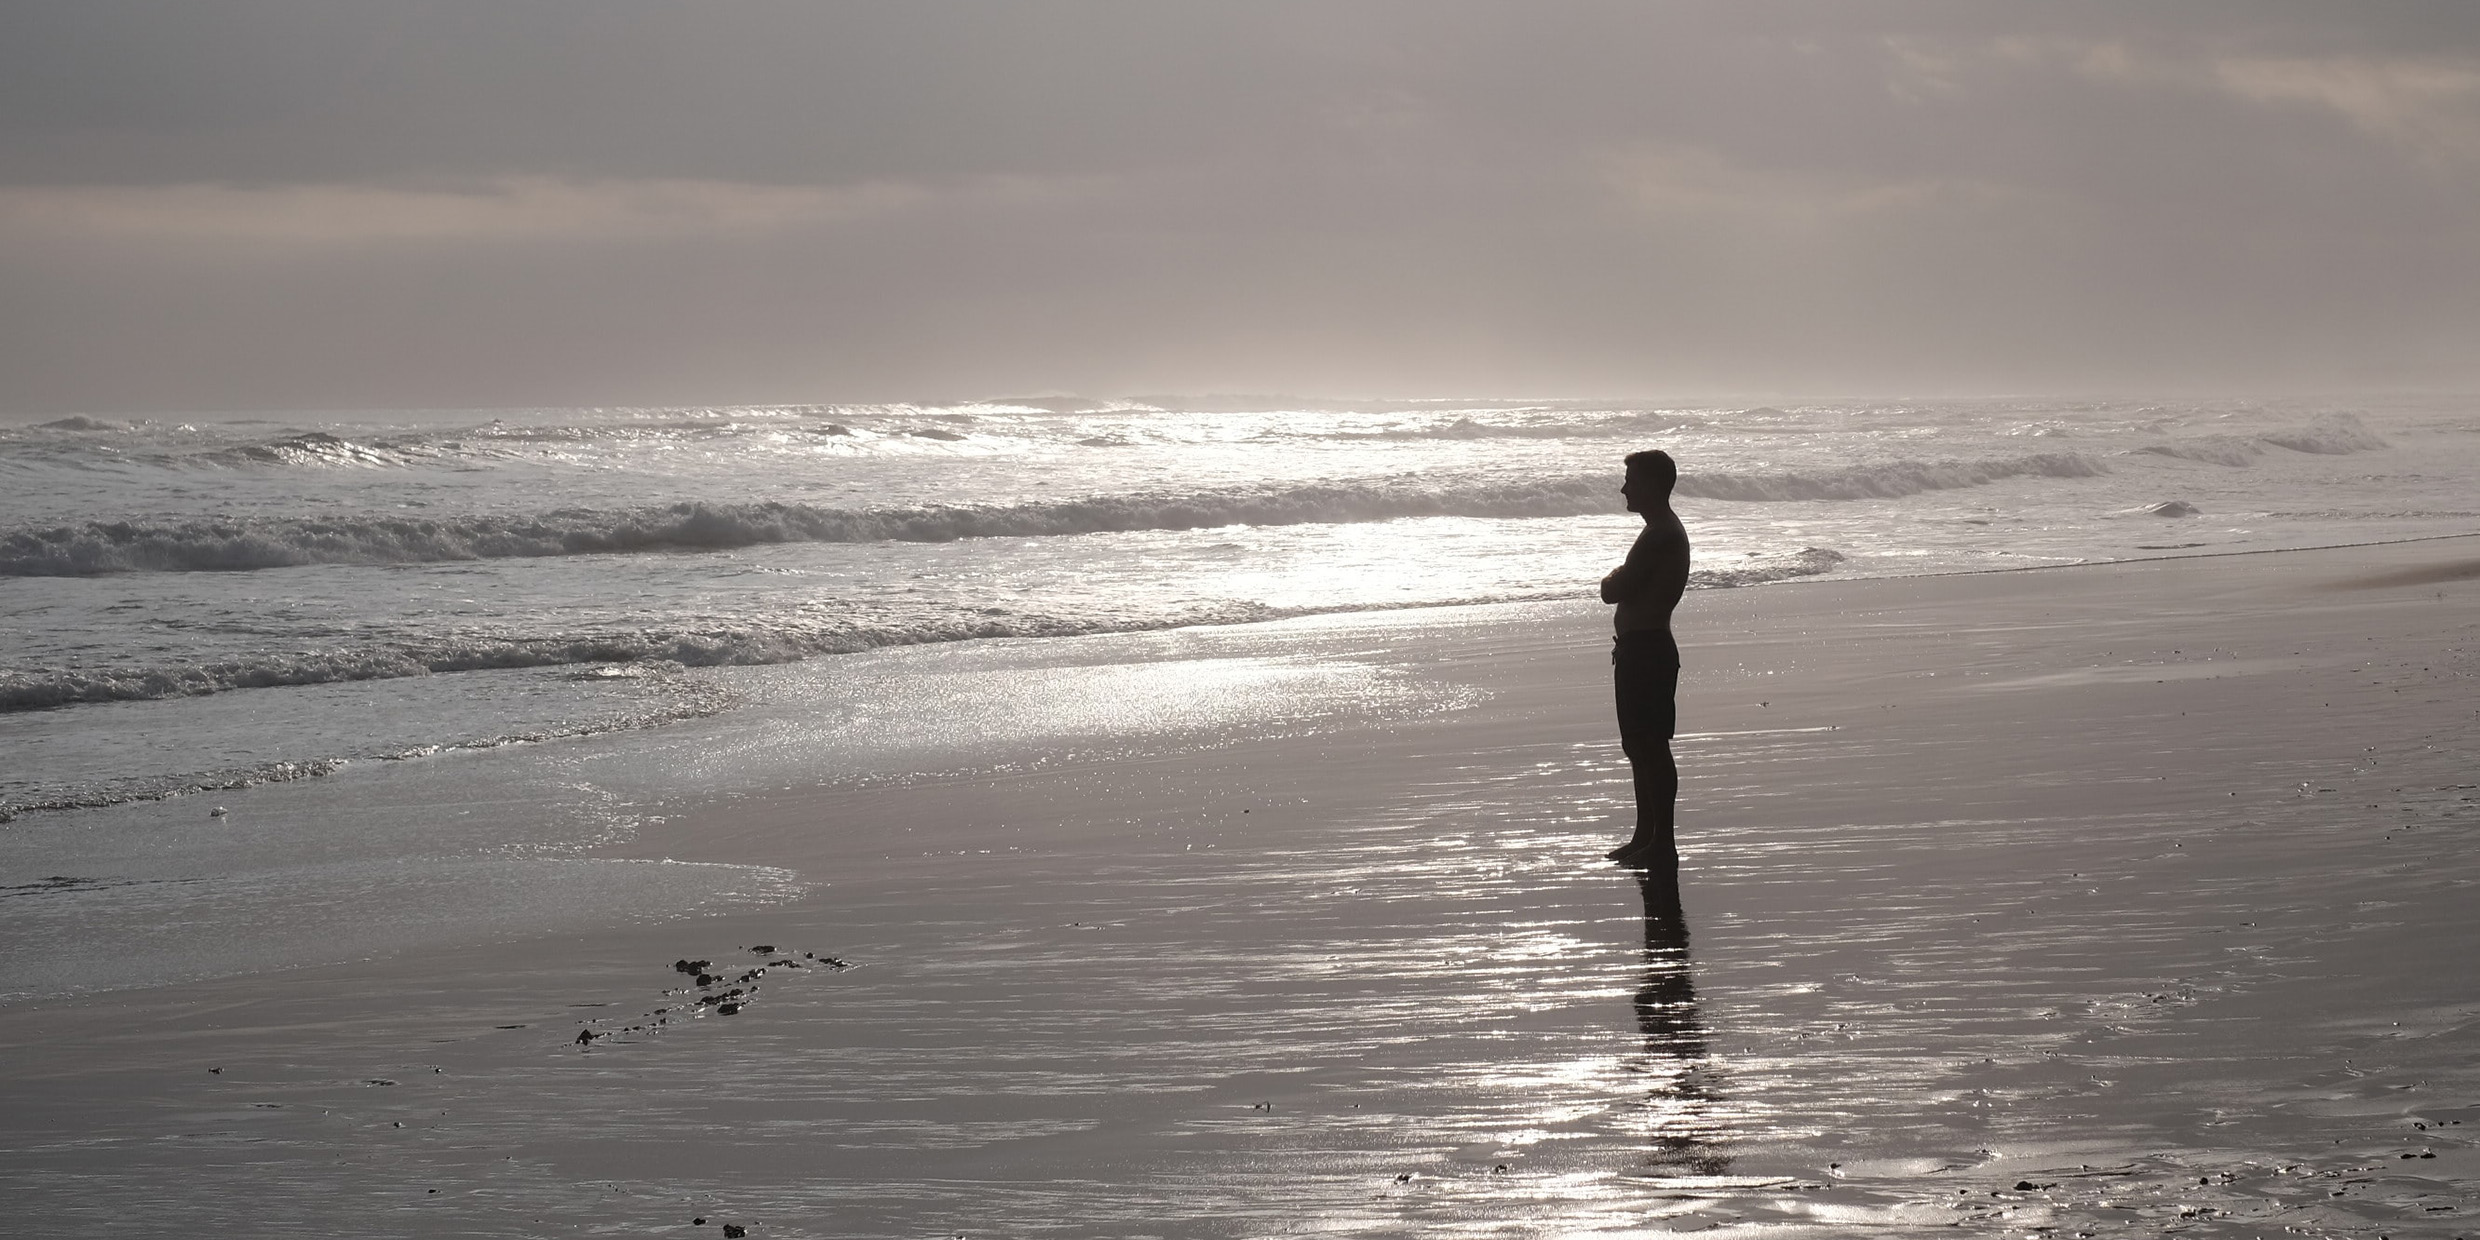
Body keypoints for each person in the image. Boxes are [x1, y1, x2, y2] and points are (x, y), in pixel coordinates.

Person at [1600, 449, 1690, 868]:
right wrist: (1620, 577)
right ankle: (1646, 835)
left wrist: (1615, 576)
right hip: (1641, 648)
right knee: (1638, 745)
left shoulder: (1661, 534)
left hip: (1649, 649)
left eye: (1631, 480)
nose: (1624, 488)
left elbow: (1613, 589)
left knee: (1651, 746)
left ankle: (1662, 841)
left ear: (1652, 485)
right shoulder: (1658, 532)